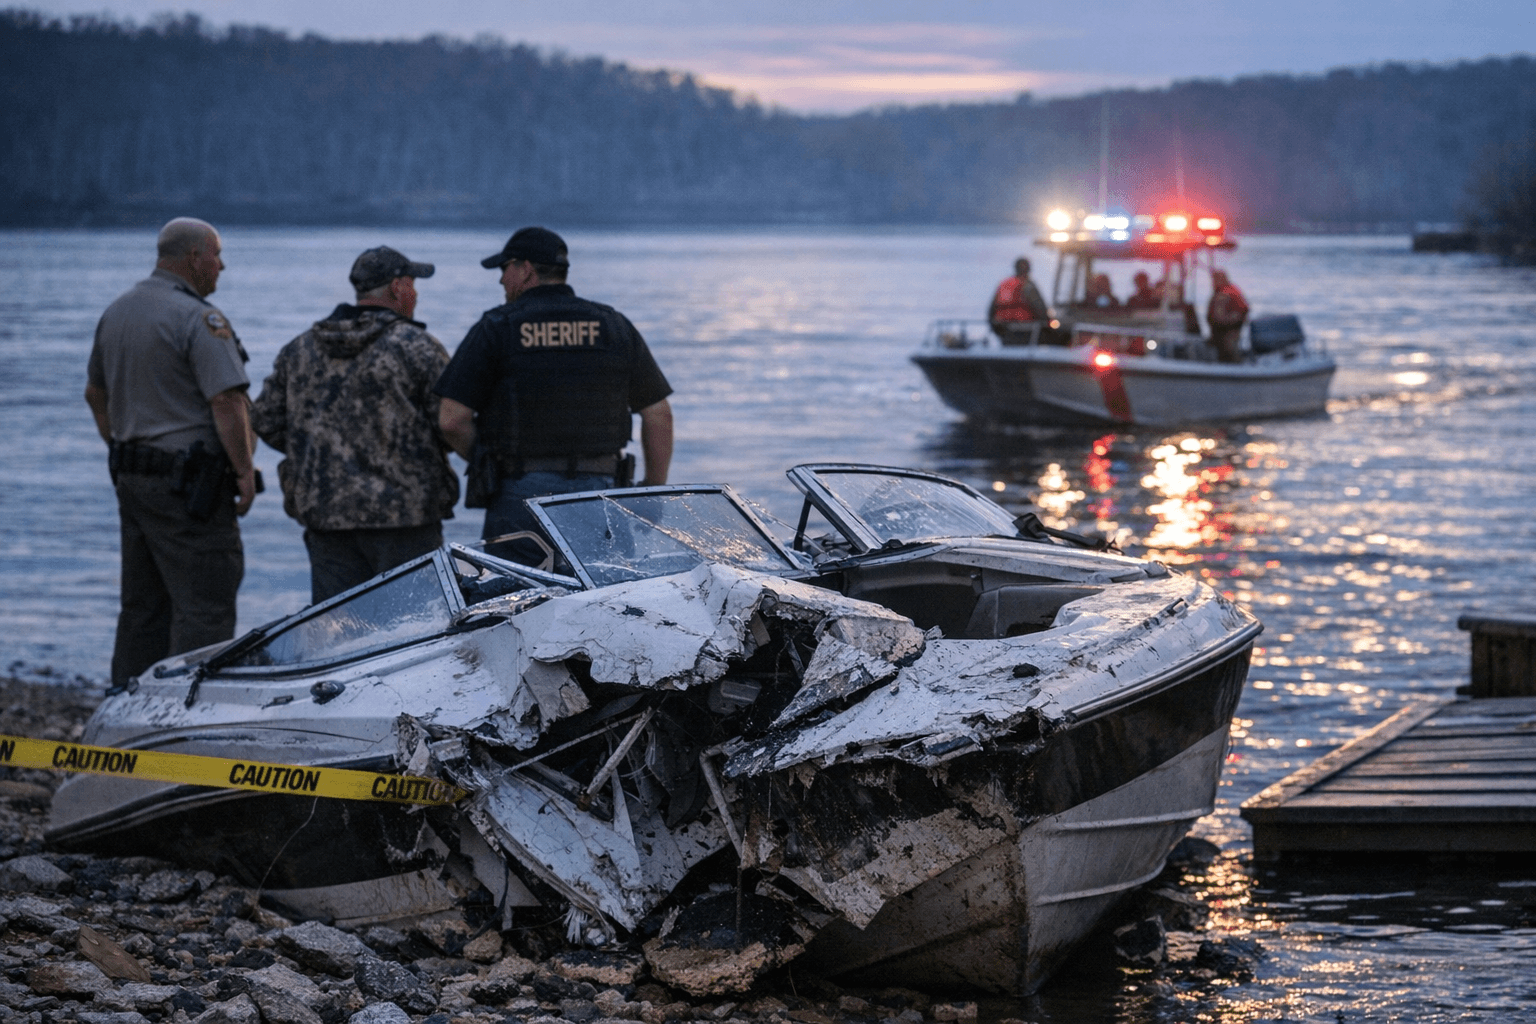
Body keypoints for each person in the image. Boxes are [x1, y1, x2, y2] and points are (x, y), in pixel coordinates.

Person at [84, 217, 257, 691]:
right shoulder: (200, 318)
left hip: (134, 477)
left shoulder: (118, 311)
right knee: (205, 604)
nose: (221, 265)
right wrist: (244, 470)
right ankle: (187, 719)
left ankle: (125, 709)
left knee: (144, 603)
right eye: (216, 255)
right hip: (189, 487)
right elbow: (226, 400)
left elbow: (94, 394)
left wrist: (122, 445)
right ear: (194, 257)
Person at [435, 227, 674, 564]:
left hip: (520, 494)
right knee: (607, 601)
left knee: (517, 601)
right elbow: (658, 414)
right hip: (602, 493)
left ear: (526, 268)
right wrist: (650, 490)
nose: (501, 280)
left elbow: (451, 420)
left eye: (504, 269)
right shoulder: (612, 325)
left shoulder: (498, 327)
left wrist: (489, 460)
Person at [251, 246, 459, 603]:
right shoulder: (418, 348)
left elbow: (265, 418)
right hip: (405, 519)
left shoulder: (299, 349)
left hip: (326, 515)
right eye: (411, 284)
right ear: (396, 288)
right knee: (417, 629)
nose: (416, 293)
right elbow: (450, 422)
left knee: (339, 636)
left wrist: (320, 447)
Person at [988, 257, 1051, 344]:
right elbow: (1040, 308)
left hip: (1004, 331)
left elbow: (991, 311)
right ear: (1028, 270)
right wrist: (1048, 325)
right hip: (1027, 331)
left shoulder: (1003, 285)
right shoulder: (1028, 286)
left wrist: (996, 329)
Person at [1207, 269, 1250, 363]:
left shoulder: (1224, 294)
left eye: (1215, 280)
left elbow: (1219, 317)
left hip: (1228, 331)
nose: (1213, 283)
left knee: (1228, 350)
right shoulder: (1231, 290)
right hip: (1230, 329)